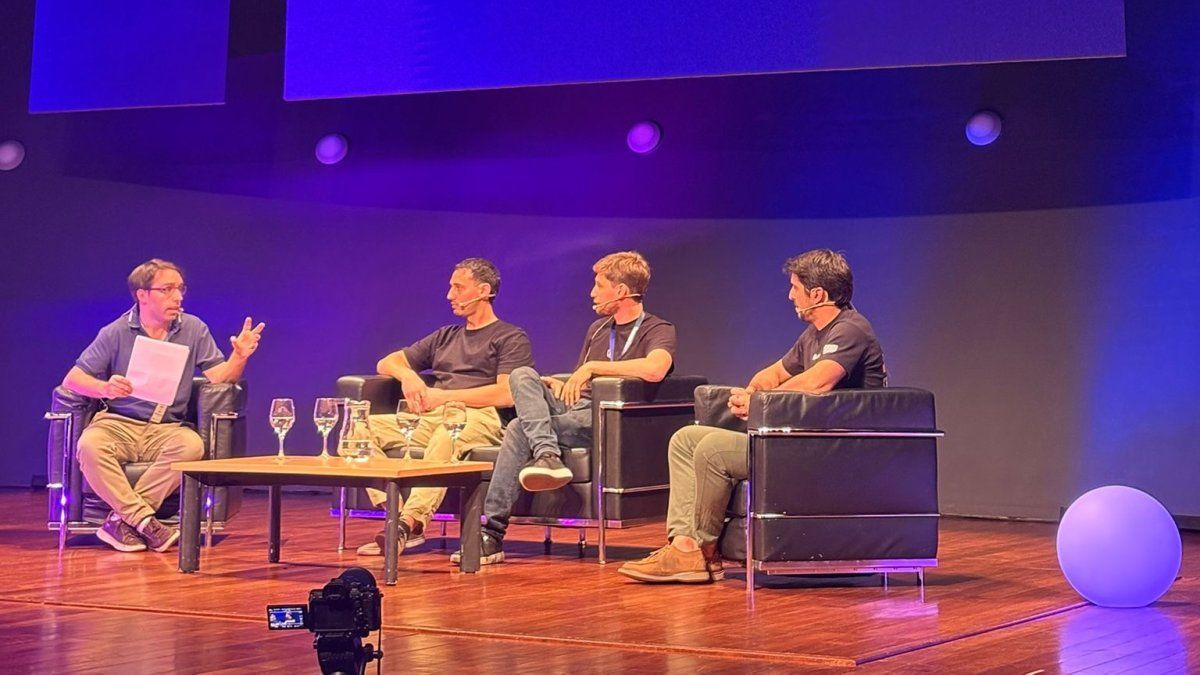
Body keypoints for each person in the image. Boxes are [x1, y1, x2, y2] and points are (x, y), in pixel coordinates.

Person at [618, 249, 886, 583]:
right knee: (686, 439)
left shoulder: (850, 329)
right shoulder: (812, 334)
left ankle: (705, 551)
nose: (790, 296)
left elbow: (818, 382)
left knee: (713, 451)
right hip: (793, 441)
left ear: (817, 294)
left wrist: (759, 402)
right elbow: (774, 373)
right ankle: (684, 547)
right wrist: (751, 392)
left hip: (828, 448)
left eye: (795, 288)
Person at [452, 251, 676, 566]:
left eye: (599, 286)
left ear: (621, 291)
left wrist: (592, 368)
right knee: (522, 376)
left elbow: (655, 369)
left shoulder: (658, 328)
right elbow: (578, 382)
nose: (592, 293)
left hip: (602, 417)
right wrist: (559, 386)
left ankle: (492, 532)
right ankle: (547, 454)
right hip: (575, 406)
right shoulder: (598, 329)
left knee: (517, 427)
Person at [63, 259, 265, 553]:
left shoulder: (193, 328)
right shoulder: (116, 332)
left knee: (191, 446)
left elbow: (220, 378)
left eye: (181, 289)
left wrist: (239, 356)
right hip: (119, 422)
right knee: (90, 446)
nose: (178, 297)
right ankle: (145, 522)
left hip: (167, 427)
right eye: (167, 289)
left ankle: (122, 521)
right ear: (142, 295)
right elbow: (73, 379)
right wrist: (105, 388)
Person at [353, 257, 534, 556]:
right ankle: (395, 518)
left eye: (458, 288)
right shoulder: (445, 336)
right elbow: (387, 362)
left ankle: (411, 523)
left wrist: (446, 398)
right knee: (357, 428)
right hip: (433, 414)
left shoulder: (510, 337)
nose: (450, 295)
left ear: (483, 291)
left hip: (482, 416)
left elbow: (506, 394)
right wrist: (409, 376)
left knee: (447, 434)